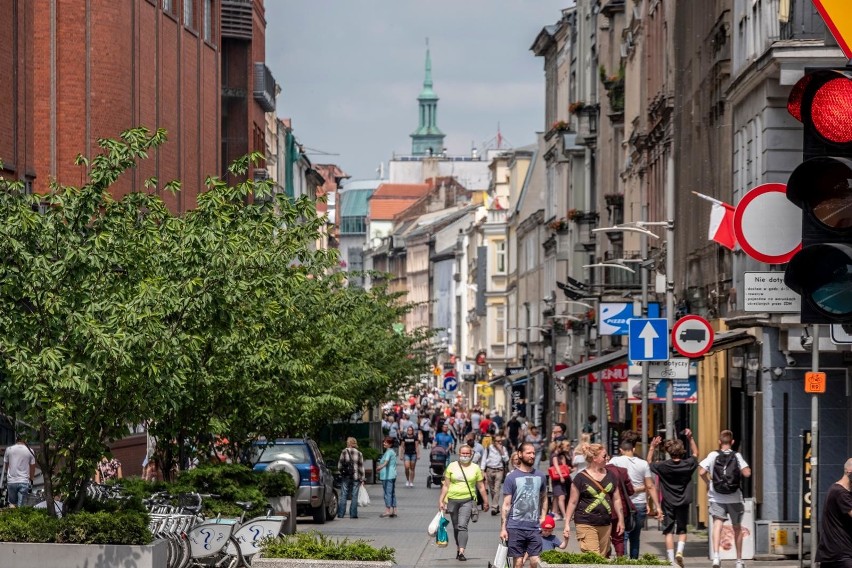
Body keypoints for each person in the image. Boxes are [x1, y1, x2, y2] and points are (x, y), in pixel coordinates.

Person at [698, 430, 752, 568]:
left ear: (719, 442)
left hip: (716, 497)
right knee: (737, 528)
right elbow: (747, 473)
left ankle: (716, 557)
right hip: (734, 498)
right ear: (732, 442)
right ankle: (739, 560)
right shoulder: (737, 455)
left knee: (717, 525)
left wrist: (708, 482)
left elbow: (701, 472)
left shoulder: (713, 455)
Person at [647, 430, 699, 567]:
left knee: (668, 531)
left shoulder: (663, 466)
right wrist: (691, 438)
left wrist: (652, 447)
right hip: (683, 501)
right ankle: (679, 552)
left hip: (668, 502)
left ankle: (670, 560)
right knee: (682, 529)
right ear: (682, 452)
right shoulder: (688, 464)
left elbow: (648, 462)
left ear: (669, 452)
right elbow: (695, 454)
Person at [562, 443, 624, 557]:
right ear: (595, 458)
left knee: (602, 558)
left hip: (605, 522)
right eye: (604, 456)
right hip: (585, 522)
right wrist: (566, 523)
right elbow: (572, 502)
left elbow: (617, 499)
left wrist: (621, 520)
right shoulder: (580, 478)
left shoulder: (611, 475)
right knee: (594, 558)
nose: (607, 458)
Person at [500, 442, 549, 568]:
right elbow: (506, 504)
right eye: (529, 453)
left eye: (533, 453)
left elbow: (544, 497)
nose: (532, 456)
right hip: (515, 526)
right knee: (519, 562)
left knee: (535, 560)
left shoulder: (541, 476)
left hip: (534, 526)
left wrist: (543, 517)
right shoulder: (511, 477)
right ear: (520, 454)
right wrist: (503, 528)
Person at [609, 439, 660, 559]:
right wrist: (657, 506)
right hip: (639, 503)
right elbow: (650, 485)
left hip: (623, 503)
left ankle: (624, 562)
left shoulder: (615, 461)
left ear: (621, 450)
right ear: (633, 449)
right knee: (635, 537)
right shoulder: (643, 463)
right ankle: (634, 562)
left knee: (623, 535)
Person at [438, 443, 488, 561]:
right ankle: (458, 547)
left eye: (467, 453)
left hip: (468, 500)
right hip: (452, 500)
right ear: (459, 454)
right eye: (463, 453)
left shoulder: (475, 468)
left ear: (471, 455)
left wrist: (485, 501)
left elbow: (481, 486)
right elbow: (446, 485)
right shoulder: (451, 466)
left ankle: (461, 552)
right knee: (456, 527)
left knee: (462, 526)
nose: (465, 455)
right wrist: (441, 500)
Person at [814, 458, 852, 568]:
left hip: (838, 553)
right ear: (849, 471)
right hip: (839, 554)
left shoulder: (846, 492)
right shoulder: (839, 492)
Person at [605, 455, 633, 557]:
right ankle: (621, 561)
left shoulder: (595, 473)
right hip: (620, 510)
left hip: (602, 510)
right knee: (619, 538)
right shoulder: (622, 471)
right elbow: (630, 491)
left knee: (603, 537)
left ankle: (605, 559)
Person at [3, 434, 35, 508]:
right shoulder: (30, 450)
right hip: (24, 480)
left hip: (11, 481)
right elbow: (32, 466)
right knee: (22, 506)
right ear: (25, 439)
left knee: (12, 504)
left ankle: (12, 519)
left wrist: (10, 473)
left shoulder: (9, 449)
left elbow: (6, 465)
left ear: (16, 439)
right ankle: (20, 518)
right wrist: (31, 478)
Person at [481, 434, 510, 515]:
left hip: (499, 470)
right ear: (493, 442)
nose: (500, 443)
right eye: (497, 441)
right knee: (492, 490)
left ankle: (494, 507)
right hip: (490, 469)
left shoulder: (503, 448)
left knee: (497, 489)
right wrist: (482, 470)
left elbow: (507, 460)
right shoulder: (489, 448)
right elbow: (484, 459)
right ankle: (496, 506)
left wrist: (501, 451)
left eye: (501, 441)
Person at [336, 437, 365, 519]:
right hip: (356, 477)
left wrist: (342, 472)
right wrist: (362, 478)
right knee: (354, 495)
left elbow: (339, 465)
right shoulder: (359, 453)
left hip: (346, 476)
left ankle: (341, 514)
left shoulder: (344, 452)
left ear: (348, 443)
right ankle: (353, 514)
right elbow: (361, 467)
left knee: (343, 494)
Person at [549, 440, 572, 520]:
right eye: (561, 447)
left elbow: (563, 466)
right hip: (557, 479)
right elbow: (556, 466)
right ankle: (564, 515)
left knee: (556, 496)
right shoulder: (555, 456)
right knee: (561, 497)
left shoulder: (558, 456)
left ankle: (554, 512)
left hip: (558, 478)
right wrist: (561, 476)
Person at [377, 437, 398, 518]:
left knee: (387, 493)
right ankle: (394, 510)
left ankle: (387, 510)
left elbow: (386, 462)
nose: (384, 444)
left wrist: (380, 467)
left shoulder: (389, 452)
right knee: (392, 493)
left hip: (387, 476)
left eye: (386, 442)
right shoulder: (391, 452)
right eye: (384, 442)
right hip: (392, 475)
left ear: (390, 444)